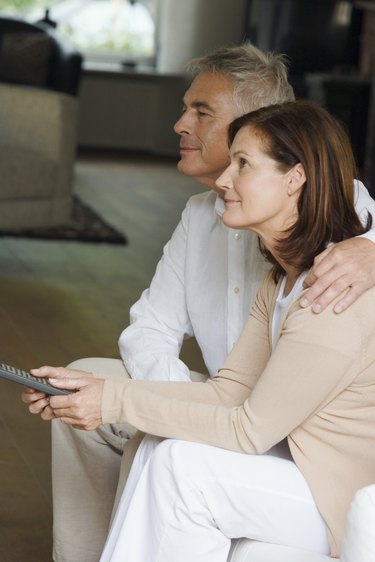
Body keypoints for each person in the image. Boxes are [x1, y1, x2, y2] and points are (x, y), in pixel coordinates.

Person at [22, 44, 375, 562]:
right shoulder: (270, 270)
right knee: (127, 410)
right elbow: (178, 350)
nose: (180, 124)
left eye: (203, 112)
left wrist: (373, 251)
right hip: (242, 406)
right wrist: (120, 397)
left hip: (313, 458)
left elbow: (252, 424)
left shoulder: (336, 271)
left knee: (177, 462)